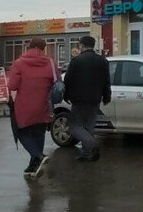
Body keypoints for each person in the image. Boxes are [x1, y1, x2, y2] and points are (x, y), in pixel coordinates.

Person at [7, 37, 57, 179]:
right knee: (38, 133)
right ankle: (33, 166)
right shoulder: (50, 63)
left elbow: (12, 86)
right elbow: (56, 81)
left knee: (22, 132)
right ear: (43, 48)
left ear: (29, 47)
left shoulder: (19, 63)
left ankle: (38, 156)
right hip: (43, 104)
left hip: (24, 105)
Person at [62, 35, 111, 163]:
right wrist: (106, 96)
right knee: (89, 125)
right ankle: (86, 153)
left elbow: (68, 80)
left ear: (82, 45)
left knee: (73, 126)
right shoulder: (102, 61)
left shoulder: (76, 60)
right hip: (95, 98)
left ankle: (91, 144)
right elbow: (106, 81)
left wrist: (66, 95)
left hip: (78, 99)